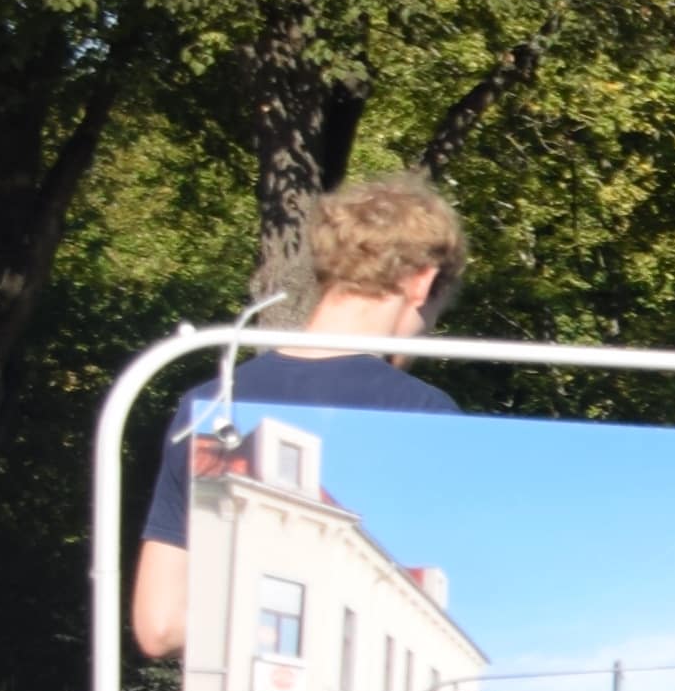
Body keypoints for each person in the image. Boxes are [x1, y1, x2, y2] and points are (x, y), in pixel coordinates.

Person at [128, 177, 466, 666]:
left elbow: (158, 627)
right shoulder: (428, 416)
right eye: (433, 315)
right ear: (422, 283)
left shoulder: (213, 404)